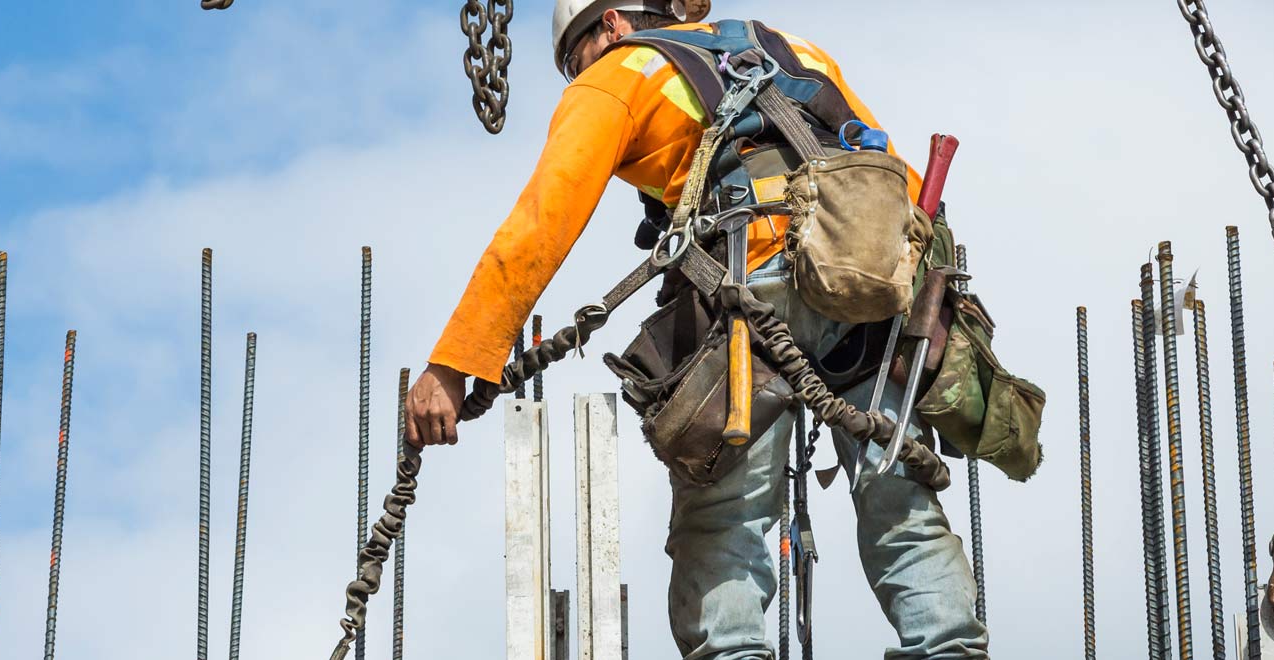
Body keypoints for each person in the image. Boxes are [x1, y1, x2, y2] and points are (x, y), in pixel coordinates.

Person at [402, 1, 990, 657]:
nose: (580, 75)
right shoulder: (791, 48)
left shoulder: (619, 74)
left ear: (612, 25)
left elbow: (540, 225)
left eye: (576, 60)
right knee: (900, 498)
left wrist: (455, 364)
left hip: (752, 289)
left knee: (724, 518)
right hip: (871, 282)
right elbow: (896, 178)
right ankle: (951, 646)